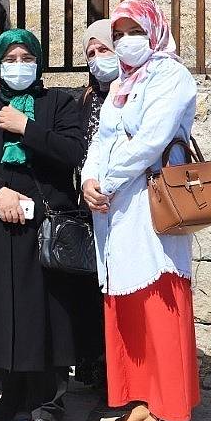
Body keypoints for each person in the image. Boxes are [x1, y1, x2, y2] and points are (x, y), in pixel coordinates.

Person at [0, 28, 88, 421]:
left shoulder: (59, 104)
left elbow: (73, 152)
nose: (18, 66)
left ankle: (48, 404)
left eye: (25, 58)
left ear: (38, 61)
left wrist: (26, 127)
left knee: (44, 315)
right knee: (1, 309)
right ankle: (11, 392)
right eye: (9, 59)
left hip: (41, 228)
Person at [80, 0, 199, 421]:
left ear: (154, 31)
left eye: (135, 31)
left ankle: (171, 417)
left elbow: (150, 140)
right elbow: (103, 137)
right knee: (129, 303)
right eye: (120, 33)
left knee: (159, 300)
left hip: (150, 203)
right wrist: (90, 179)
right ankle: (147, 398)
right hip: (115, 208)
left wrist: (107, 180)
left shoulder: (171, 76)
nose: (126, 40)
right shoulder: (122, 83)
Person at [71, 19, 117, 390]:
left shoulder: (135, 92)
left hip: (125, 206)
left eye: (104, 49)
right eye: (91, 53)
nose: (98, 58)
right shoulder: (86, 98)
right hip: (89, 206)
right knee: (91, 291)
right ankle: (96, 366)